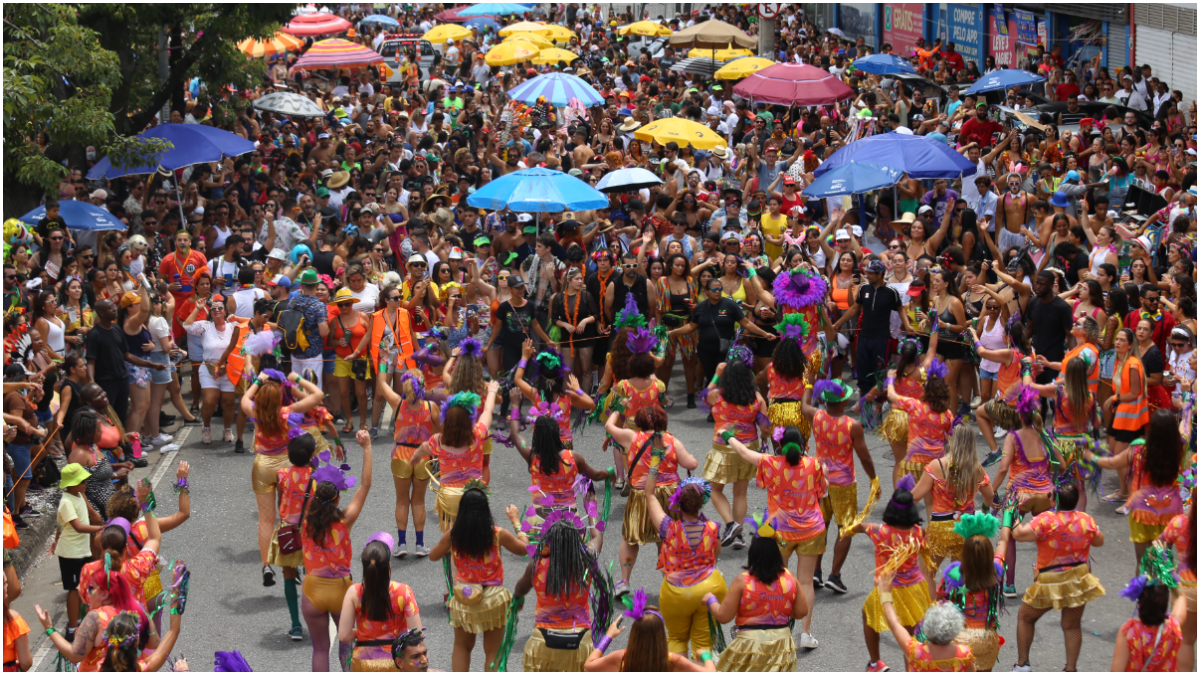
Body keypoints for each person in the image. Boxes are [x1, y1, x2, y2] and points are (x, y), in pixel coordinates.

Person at [722, 424, 827, 651]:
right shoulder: (814, 464)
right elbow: (823, 489)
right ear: (803, 445)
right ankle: (806, 634)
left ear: (779, 445)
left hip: (781, 532)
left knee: (779, 579)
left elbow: (742, 452)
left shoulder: (771, 463)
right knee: (806, 581)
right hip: (812, 530)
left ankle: (781, 629)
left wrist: (726, 435)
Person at [427, 487, 527, 672]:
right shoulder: (497, 534)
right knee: (493, 651)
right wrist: (516, 522)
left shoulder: (454, 535)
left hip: (465, 598)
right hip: (494, 600)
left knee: (462, 647)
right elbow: (525, 549)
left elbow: (433, 556)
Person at [241, 370, 325, 588]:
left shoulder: (255, 410)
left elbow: (244, 398)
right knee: (289, 515)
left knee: (266, 519)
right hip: (286, 467)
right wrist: (296, 379)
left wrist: (258, 380)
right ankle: (294, 561)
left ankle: (266, 565)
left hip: (262, 466)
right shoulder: (287, 413)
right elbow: (317, 395)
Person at [299, 430, 374, 672]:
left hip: (312, 591)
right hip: (341, 591)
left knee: (320, 649)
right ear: (338, 499)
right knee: (347, 643)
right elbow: (365, 485)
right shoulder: (344, 520)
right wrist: (367, 448)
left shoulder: (306, 523)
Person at [604, 405, 698, 597]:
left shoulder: (631, 437)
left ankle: (624, 582)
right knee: (666, 538)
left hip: (641, 495)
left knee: (630, 538)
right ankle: (670, 582)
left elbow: (609, 426)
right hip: (670, 496)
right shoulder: (671, 441)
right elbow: (691, 464)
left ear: (639, 421)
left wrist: (617, 410)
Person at [1011, 482, 1105, 672]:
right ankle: (1070, 669)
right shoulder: (1086, 520)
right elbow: (1099, 541)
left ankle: (1023, 665)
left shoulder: (1046, 520)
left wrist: (1013, 514)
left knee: (1025, 618)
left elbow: (1019, 535)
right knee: (1071, 626)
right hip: (1078, 581)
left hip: (1050, 581)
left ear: (1054, 500)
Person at [703, 512, 809, 672]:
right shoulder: (789, 578)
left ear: (753, 553)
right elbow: (801, 612)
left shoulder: (743, 580)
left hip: (750, 645)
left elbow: (724, 617)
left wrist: (711, 600)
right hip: (781, 644)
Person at [642, 470, 726, 661]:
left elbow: (649, 495)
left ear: (678, 501)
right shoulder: (713, 528)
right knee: (704, 645)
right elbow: (715, 555)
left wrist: (655, 460)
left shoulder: (668, 528)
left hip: (676, 592)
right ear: (702, 502)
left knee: (677, 639)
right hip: (709, 589)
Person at [512, 511, 609, 672]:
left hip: (544, 639)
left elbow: (520, 588)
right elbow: (597, 539)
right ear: (576, 541)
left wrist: (518, 599)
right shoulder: (586, 561)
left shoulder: (537, 565)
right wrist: (591, 506)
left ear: (550, 541)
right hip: (579, 640)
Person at [1085, 408, 1183, 566]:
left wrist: (1090, 455)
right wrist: (1185, 407)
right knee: (1162, 563)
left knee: (1142, 563)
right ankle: (1160, 590)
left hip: (1142, 512)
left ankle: (1143, 588)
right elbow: (1185, 430)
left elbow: (1111, 463)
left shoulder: (1138, 452)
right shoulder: (1179, 449)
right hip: (1169, 512)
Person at [853, 476, 930, 673]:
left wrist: (848, 529)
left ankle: (875, 662)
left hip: (888, 589)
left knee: (868, 614)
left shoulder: (881, 532)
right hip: (915, 590)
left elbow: (860, 527)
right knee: (911, 637)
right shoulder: (919, 533)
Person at [909, 425, 994, 597]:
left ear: (951, 440)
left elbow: (914, 498)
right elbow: (990, 495)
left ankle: (929, 613)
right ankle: (956, 613)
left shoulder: (937, 465)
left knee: (926, 573)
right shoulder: (976, 468)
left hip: (940, 528)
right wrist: (984, 512)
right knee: (959, 575)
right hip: (966, 528)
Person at [409, 382, 500, 531]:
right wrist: (491, 391)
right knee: (473, 533)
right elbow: (488, 411)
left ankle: (451, 553)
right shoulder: (478, 435)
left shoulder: (439, 440)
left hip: (449, 496)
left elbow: (424, 447)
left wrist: (416, 456)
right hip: (473, 494)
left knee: (451, 534)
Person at [702, 354, 770, 551]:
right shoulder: (757, 398)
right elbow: (765, 428)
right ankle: (738, 536)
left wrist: (715, 374)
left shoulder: (717, 395)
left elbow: (704, 396)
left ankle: (731, 524)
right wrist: (763, 438)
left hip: (723, 448)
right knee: (740, 493)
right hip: (748, 449)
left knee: (714, 490)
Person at [337, 534, 422, 672]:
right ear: (388, 565)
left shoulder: (354, 592)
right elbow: (416, 634)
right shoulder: (404, 591)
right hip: (396, 662)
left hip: (363, 663)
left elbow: (344, 635)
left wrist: (366, 632)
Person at [377, 370, 438, 559]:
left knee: (402, 500)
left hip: (401, 456)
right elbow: (439, 434)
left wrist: (384, 362)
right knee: (418, 501)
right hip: (423, 458)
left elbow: (382, 384)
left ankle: (402, 543)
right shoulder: (431, 406)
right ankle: (420, 545)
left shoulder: (397, 403)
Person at [936, 513, 1008, 671]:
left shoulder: (953, 575)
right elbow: (1002, 542)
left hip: (960, 639)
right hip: (986, 638)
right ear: (989, 553)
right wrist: (1008, 515)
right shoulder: (996, 572)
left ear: (965, 554)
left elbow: (939, 600)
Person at [875, 573, 975, 672]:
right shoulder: (964, 654)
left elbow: (894, 624)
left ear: (927, 626)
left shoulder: (916, 653)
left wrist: (885, 594)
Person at [583, 600, 717, 672]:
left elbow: (588, 666)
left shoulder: (622, 658)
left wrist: (608, 636)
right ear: (660, 635)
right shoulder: (673, 661)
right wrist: (706, 656)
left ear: (635, 634)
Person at [1110, 553, 1188, 672]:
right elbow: (1181, 596)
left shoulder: (1129, 631)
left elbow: (1116, 671)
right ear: (1165, 603)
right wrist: (1167, 566)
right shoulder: (1173, 628)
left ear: (1140, 602)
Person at [885, 356, 954, 486]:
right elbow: (952, 436)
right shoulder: (947, 414)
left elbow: (891, 396)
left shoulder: (916, 406)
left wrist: (890, 378)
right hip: (935, 464)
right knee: (931, 502)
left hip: (914, 463)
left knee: (908, 497)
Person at [53, 463, 102, 643]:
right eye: (81, 480)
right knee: (74, 589)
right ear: (70, 484)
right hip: (71, 553)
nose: (85, 483)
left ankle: (82, 620)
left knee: (85, 586)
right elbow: (78, 526)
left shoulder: (79, 494)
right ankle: (72, 627)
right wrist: (101, 528)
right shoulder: (66, 502)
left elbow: (62, 524)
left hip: (83, 549)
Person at [183, 292, 240, 444]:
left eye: (220, 308)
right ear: (210, 313)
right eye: (213, 309)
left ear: (225, 310)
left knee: (228, 401)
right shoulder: (205, 326)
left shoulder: (233, 326)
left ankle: (227, 430)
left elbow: (252, 325)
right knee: (210, 400)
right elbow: (186, 325)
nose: (217, 311)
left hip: (228, 370)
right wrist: (197, 308)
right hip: (208, 370)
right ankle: (206, 428)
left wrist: (236, 318)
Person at [1155, 500, 1196, 672]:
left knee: (1186, 640)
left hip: (1187, 588)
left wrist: (1168, 574)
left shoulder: (1179, 523)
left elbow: (1159, 546)